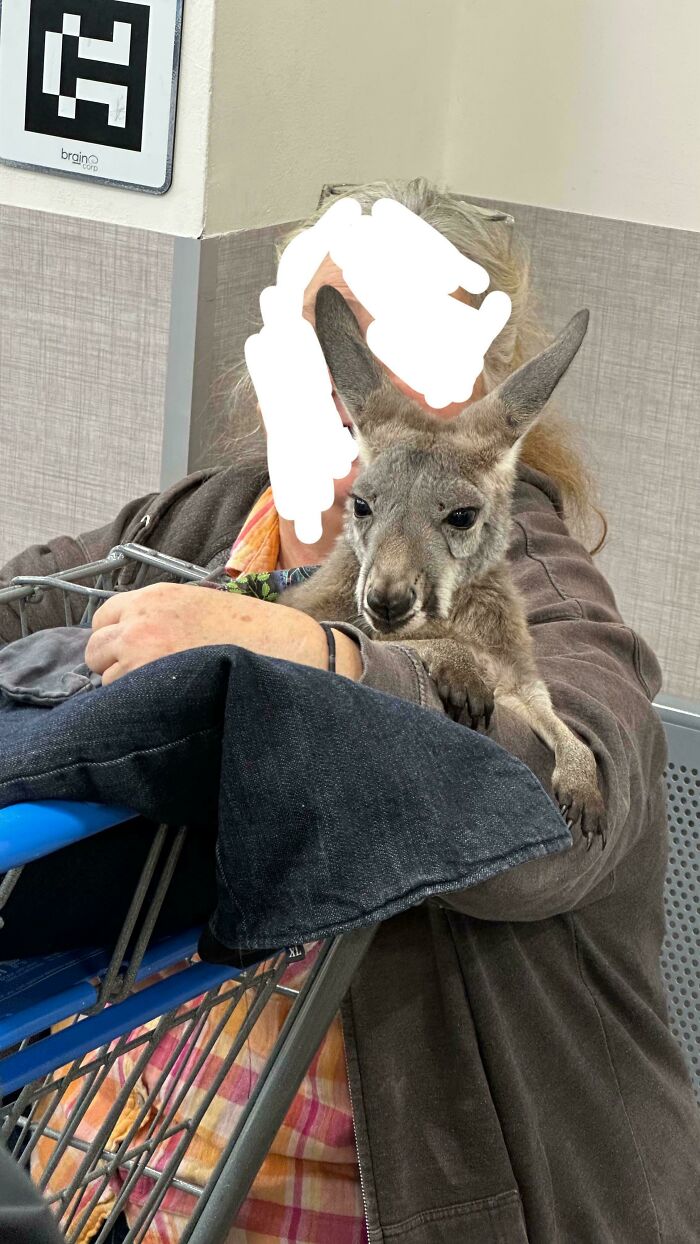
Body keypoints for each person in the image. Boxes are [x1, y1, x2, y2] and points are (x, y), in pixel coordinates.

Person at [1, 178, 698, 1242]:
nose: (348, 377)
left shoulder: (538, 591)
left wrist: (310, 649)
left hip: (390, 1184)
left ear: (485, 388)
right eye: (320, 327)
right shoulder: (216, 522)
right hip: (126, 1148)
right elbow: (42, 597)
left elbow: (564, 813)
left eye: (403, 335)